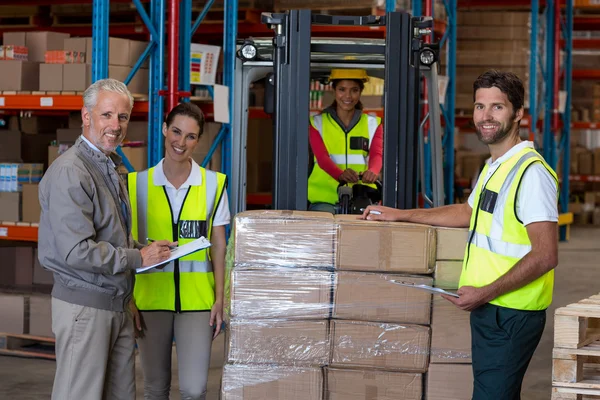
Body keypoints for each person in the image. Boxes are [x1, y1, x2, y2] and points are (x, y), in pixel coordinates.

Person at [362, 70, 559, 399]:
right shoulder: (496, 165)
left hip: (510, 311)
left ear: (519, 113)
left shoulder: (531, 173)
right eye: (480, 106)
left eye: (497, 107)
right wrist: (404, 215)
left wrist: (485, 293)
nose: (485, 116)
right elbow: (468, 212)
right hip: (490, 305)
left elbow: (545, 255)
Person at [38, 78, 174, 400]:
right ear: (87, 116)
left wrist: (150, 251)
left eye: (123, 117)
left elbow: (112, 237)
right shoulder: (72, 172)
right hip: (85, 307)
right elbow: (77, 251)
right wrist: (138, 259)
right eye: (107, 115)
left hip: (117, 304)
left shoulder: (111, 167)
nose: (115, 125)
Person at [127, 102, 229, 400]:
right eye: (176, 131)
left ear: (198, 141)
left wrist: (220, 297)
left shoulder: (214, 184)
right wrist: (128, 299)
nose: (180, 142)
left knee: (195, 389)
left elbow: (219, 244)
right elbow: (125, 244)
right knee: (155, 388)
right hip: (149, 299)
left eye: (190, 136)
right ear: (164, 129)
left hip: (198, 302)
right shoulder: (136, 184)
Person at [308, 69, 384, 214]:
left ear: (361, 91)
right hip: (325, 199)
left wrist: (373, 171)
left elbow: (376, 155)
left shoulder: (373, 124)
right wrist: (340, 175)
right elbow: (322, 158)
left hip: (362, 196)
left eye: (354, 90)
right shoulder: (316, 123)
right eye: (342, 89)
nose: (348, 96)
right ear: (334, 90)